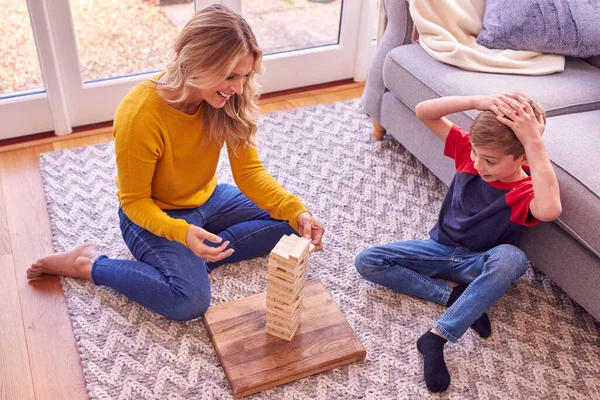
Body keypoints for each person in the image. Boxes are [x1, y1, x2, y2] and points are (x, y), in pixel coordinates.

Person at [27, 5, 324, 321]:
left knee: (293, 223)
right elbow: (134, 202)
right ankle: (88, 263)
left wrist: (296, 210)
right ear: (196, 63)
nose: (238, 87)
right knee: (188, 301)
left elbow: (249, 172)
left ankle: (197, 256)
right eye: (230, 76)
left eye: (245, 75)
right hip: (152, 213)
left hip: (209, 199)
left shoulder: (228, 98)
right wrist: (180, 233)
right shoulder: (140, 116)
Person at [354, 93, 561, 392]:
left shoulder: (525, 188)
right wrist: (479, 101)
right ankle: (457, 299)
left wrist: (534, 143)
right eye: (477, 154)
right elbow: (423, 110)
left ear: (523, 157)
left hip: (477, 263)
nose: (479, 164)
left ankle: (437, 336)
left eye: (490, 160)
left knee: (513, 258)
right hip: (437, 250)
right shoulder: (469, 154)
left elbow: (550, 209)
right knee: (367, 260)